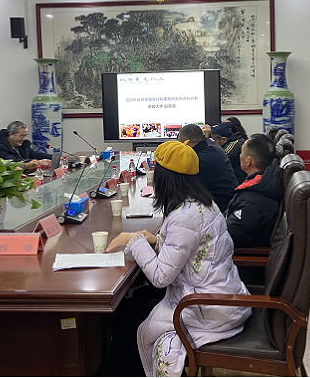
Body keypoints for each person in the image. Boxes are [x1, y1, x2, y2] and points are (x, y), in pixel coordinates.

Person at [106, 140, 252, 377]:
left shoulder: (185, 216)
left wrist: (135, 241)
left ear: (164, 178)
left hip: (208, 309)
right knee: (132, 305)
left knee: (128, 314)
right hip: (218, 296)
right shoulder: (202, 203)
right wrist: (157, 241)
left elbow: (160, 277)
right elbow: (186, 247)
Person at [224, 133, 284, 248]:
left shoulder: (252, 203)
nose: (240, 156)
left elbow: (229, 237)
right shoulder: (264, 182)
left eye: (241, 152)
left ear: (248, 161)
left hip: (239, 256)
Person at [177, 124, 237, 213]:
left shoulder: (197, 160)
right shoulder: (212, 150)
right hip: (225, 203)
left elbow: (184, 189)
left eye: (180, 143)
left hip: (216, 208)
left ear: (187, 143)